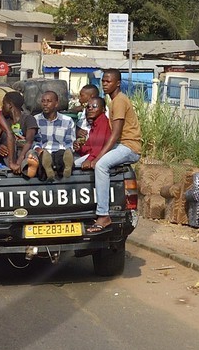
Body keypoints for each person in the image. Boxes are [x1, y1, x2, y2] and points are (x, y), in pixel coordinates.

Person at [84, 69, 141, 236]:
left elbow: (116, 134)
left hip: (130, 147)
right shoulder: (113, 102)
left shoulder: (119, 101)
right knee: (84, 161)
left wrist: (98, 158)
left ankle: (103, 215)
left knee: (101, 165)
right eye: (103, 81)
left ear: (118, 83)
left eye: (108, 81)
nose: (104, 84)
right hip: (121, 145)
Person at [25, 90, 75, 180]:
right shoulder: (35, 120)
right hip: (43, 152)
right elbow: (34, 140)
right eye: (43, 101)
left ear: (56, 104)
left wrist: (68, 150)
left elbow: (70, 141)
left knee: (62, 156)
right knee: (39, 157)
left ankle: (66, 168)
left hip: (60, 151)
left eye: (49, 101)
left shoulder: (67, 121)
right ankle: (48, 170)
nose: (45, 104)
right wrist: (38, 149)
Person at [0, 91, 36, 171]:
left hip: (23, 154)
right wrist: (0, 146)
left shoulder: (28, 119)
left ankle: (28, 167)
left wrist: (19, 161)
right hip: (7, 156)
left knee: (30, 153)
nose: (2, 107)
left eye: (4, 104)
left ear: (9, 105)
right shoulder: (4, 120)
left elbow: (29, 142)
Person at [76, 97, 111, 164]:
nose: (90, 109)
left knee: (75, 165)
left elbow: (99, 147)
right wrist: (80, 148)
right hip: (94, 155)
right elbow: (89, 147)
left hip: (100, 156)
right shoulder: (95, 125)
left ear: (103, 109)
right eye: (88, 107)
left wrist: (89, 160)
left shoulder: (103, 122)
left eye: (94, 106)